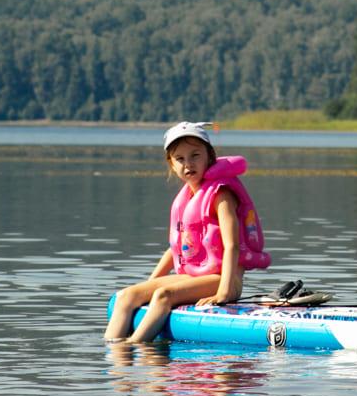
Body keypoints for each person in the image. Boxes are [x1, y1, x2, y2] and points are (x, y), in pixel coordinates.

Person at [105, 122, 271, 342]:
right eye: (180, 159)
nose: (188, 164)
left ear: (209, 156)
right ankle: (114, 362)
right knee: (126, 296)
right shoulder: (189, 196)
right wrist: (150, 282)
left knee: (163, 296)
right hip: (192, 277)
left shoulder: (221, 194)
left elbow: (231, 245)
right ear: (171, 164)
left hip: (222, 279)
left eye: (195, 156)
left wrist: (223, 293)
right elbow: (175, 248)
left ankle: (133, 347)